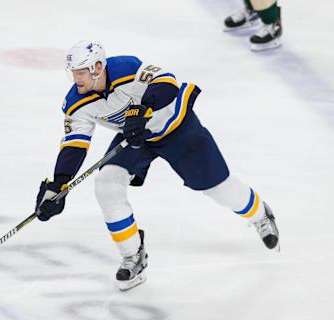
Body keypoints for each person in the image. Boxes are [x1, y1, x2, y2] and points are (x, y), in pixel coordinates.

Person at [34, 40, 280, 291]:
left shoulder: (126, 68)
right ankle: (133, 256)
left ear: (98, 67)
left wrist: (143, 110)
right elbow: (75, 143)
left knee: (217, 187)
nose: (77, 79)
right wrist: (59, 182)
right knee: (106, 183)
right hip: (136, 138)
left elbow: (167, 83)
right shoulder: (76, 102)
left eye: (82, 72)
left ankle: (261, 214)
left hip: (176, 126)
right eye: (73, 73)